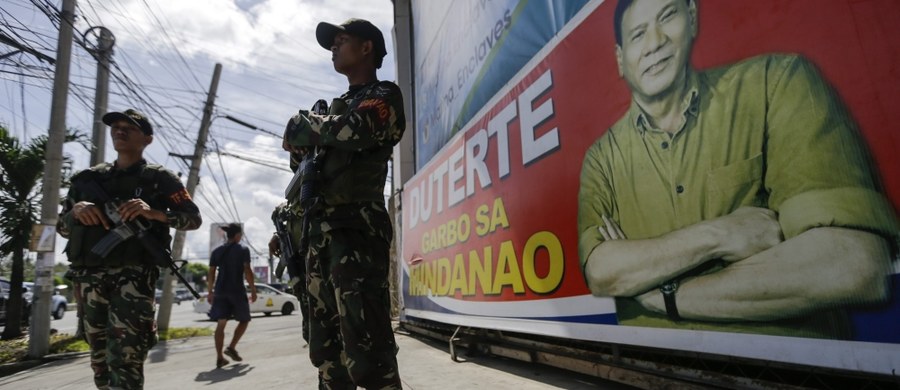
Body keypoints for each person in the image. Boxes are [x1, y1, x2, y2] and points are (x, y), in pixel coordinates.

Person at [577, 0, 898, 338]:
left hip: (789, 369)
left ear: (692, 17)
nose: (655, 42)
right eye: (638, 34)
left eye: (667, 16)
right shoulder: (602, 158)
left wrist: (665, 298)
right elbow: (603, 271)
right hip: (650, 364)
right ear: (619, 59)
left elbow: (852, 264)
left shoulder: (773, 85)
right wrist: (721, 235)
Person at [282, 17, 405, 389]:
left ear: (366, 47)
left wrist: (307, 126)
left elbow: (356, 130)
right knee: (326, 352)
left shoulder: (383, 95)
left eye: (342, 40)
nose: (334, 47)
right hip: (318, 236)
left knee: (367, 350)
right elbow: (300, 164)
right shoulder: (335, 107)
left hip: (356, 234)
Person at [57, 108, 202, 389]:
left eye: (129, 128)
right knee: (99, 359)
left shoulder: (161, 179)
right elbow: (62, 228)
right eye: (116, 127)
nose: (120, 131)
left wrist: (156, 214)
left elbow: (193, 218)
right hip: (90, 278)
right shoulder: (86, 181)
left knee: (126, 357)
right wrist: (75, 212)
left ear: (147, 139)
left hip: (133, 277)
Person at [207, 223, 257, 368]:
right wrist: (253, 289)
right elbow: (247, 270)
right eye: (240, 235)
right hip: (236, 291)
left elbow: (211, 273)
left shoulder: (217, 252)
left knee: (221, 324)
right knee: (244, 320)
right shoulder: (242, 249)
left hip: (220, 292)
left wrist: (210, 292)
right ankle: (231, 347)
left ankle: (219, 357)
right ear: (237, 236)